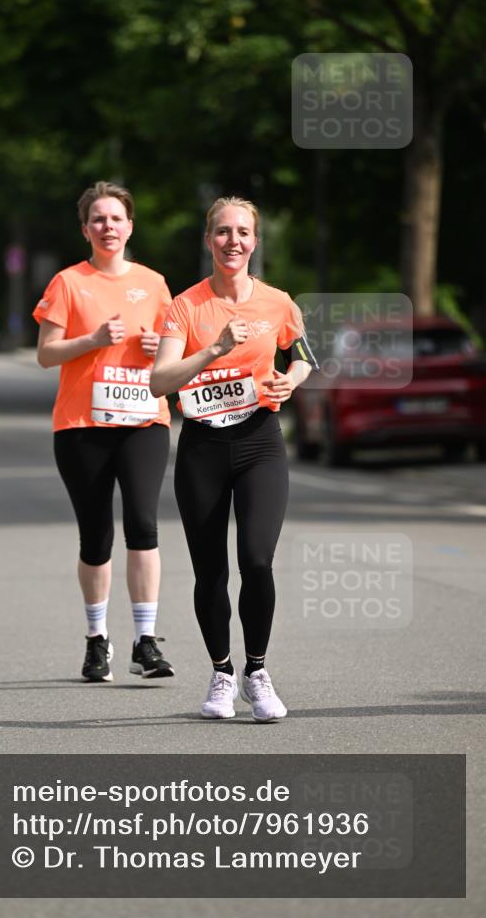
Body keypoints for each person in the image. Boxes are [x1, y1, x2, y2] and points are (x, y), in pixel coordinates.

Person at [150, 196, 316, 721]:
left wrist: (289, 381)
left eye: (243, 232)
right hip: (202, 445)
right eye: (223, 232)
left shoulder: (277, 302)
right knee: (210, 572)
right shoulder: (184, 306)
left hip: (260, 442)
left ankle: (257, 672)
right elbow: (159, 380)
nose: (233, 241)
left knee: (258, 559)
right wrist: (215, 349)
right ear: (209, 240)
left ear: (255, 240)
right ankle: (222, 672)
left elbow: (305, 357)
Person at [34, 181, 174, 683]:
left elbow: (176, 350)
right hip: (82, 425)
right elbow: (46, 353)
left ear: (130, 226)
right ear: (85, 229)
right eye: (98, 219)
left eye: (116, 218)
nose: (108, 226)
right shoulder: (69, 283)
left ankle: (147, 641)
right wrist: (92, 339)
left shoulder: (154, 283)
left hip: (143, 419)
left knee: (143, 524)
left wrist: (162, 346)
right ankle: (97, 640)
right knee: (96, 536)